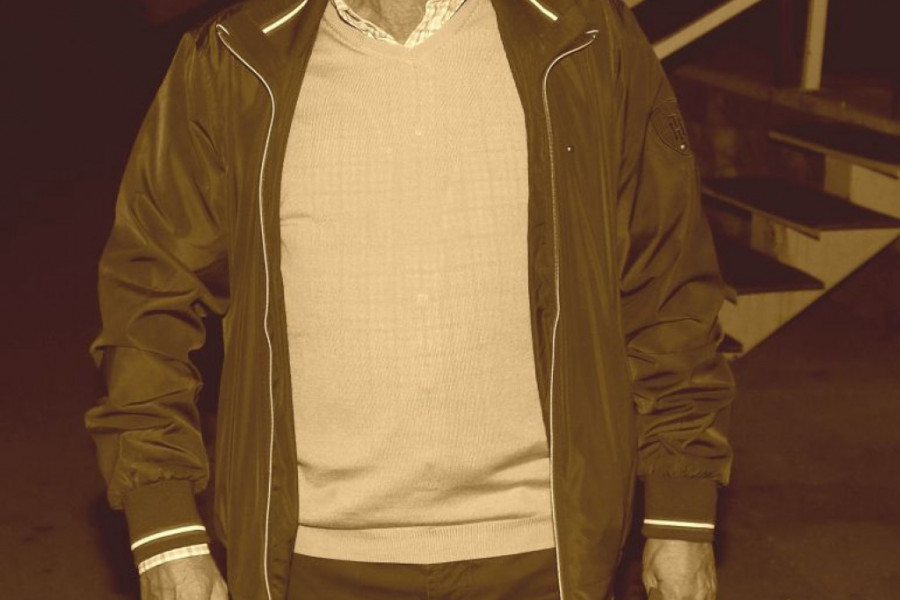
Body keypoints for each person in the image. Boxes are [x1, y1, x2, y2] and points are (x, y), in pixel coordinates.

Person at [84, 0, 735, 598]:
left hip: (546, 550)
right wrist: (164, 525)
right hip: (308, 560)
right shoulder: (234, 57)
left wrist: (680, 509)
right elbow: (148, 294)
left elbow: (666, 278)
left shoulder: (586, 39)